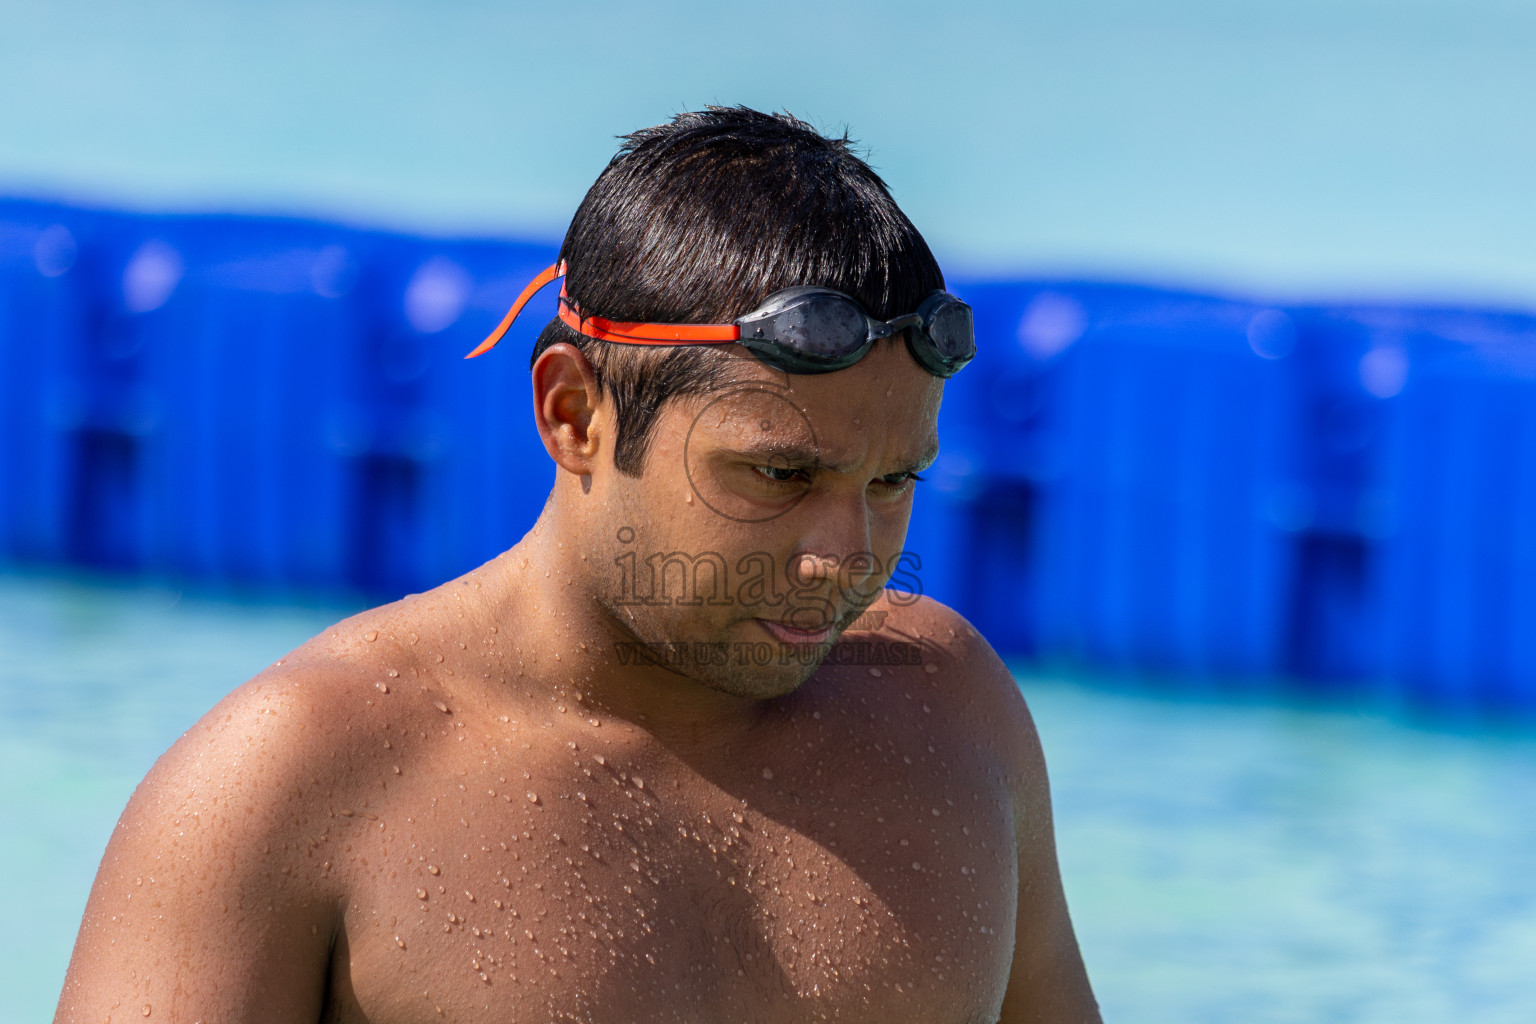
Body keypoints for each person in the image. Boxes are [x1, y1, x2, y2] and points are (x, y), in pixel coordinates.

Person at [55, 106, 1099, 1024]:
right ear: (572, 412)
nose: (849, 559)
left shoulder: (952, 715)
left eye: (891, 481)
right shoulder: (294, 781)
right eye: (779, 474)